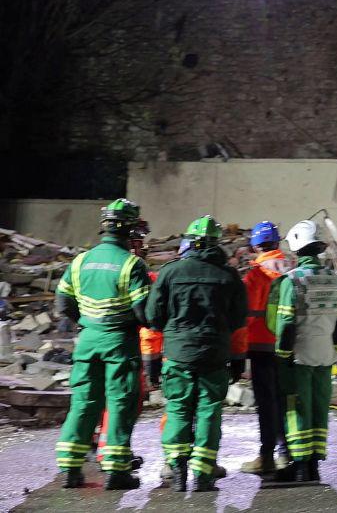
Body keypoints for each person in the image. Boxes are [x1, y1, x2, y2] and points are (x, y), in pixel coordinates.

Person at [54, 198, 153, 490]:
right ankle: (116, 471)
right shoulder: (132, 265)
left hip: (87, 341)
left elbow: (63, 303)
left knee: (83, 403)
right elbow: (143, 313)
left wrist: (87, 320)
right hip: (119, 342)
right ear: (130, 228)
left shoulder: (80, 261)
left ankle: (70, 469)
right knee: (120, 403)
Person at [148, 216, 247, 492]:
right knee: (209, 412)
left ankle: (177, 468)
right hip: (216, 356)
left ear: (189, 242)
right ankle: (204, 475)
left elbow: (153, 318)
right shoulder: (229, 276)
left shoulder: (170, 272)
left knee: (178, 409)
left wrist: (153, 361)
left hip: (179, 354)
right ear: (217, 244)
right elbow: (240, 322)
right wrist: (239, 360)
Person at [268, 220, 337, 483]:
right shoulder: (336, 280)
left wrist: (282, 357)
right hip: (326, 355)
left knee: (298, 409)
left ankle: (301, 466)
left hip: (299, 356)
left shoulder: (291, 281)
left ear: (296, 248)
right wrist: (335, 349)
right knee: (318, 408)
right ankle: (314, 464)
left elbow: (285, 324)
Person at [96, 218, 158, 472]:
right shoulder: (133, 268)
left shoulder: (92, 262)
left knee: (99, 396)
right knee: (124, 398)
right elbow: (144, 313)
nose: (142, 245)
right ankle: (111, 453)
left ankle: (99, 444)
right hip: (128, 342)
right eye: (139, 239)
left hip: (95, 337)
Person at [231, 220, 291, 475]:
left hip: (261, 347)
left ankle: (267, 455)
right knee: (286, 400)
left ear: (255, 246)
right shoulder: (292, 267)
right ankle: (287, 453)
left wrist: (237, 352)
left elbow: (244, 316)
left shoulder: (255, 274)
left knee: (267, 403)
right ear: (277, 243)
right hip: (290, 345)